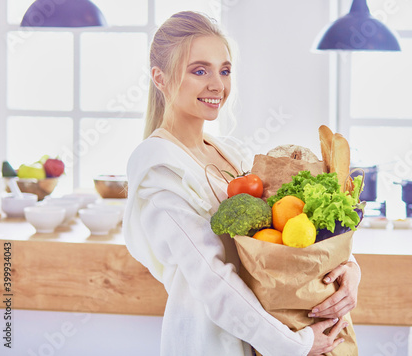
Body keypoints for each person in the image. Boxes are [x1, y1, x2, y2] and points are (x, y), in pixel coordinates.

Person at [123, 11, 361, 356]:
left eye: (225, 70)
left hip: (269, 335)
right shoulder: (158, 169)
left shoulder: (232, 153)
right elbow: (211, 280)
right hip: (212, 343)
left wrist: (349, 271)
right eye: (199, 70)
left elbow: (294, 228)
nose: (217, 85)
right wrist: (297, 345)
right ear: (159, 78)